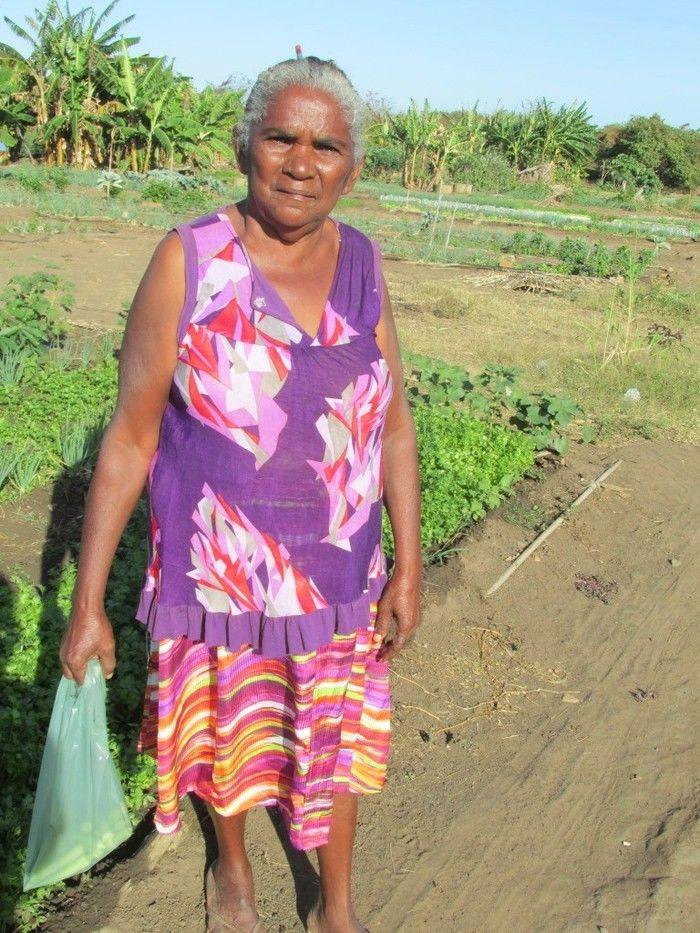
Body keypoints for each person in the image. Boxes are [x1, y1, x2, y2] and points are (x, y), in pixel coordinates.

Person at [59, 55, 422, 933]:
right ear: (244, 145)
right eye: (281, 137)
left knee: (332, 752)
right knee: (229, 742)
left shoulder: (364, 263)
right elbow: (131, 437)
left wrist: (408, 566)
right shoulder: (190, 259)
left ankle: (336, 906)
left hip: (340, 579)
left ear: (353, 166)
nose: (302, 162)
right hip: (219, 579)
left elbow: (395, 426)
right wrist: (86, 602)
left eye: (327, 145)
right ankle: (233, 871)